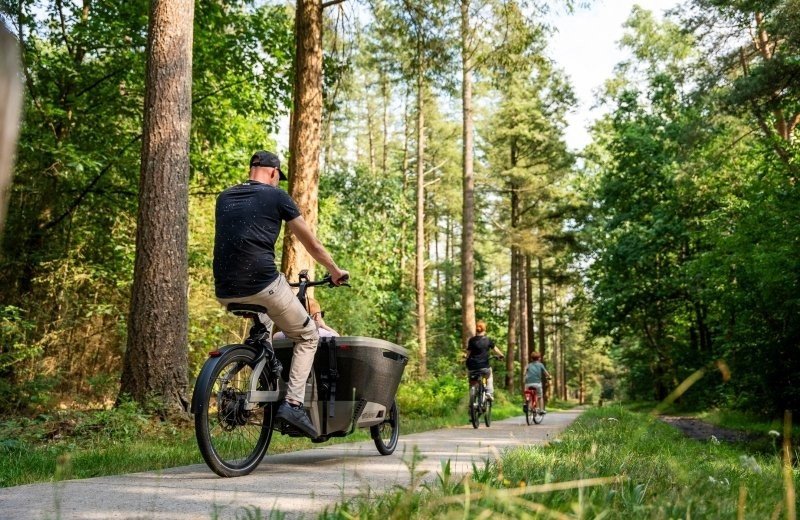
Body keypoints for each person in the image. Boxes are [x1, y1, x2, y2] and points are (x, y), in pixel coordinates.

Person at [213, 150, 348, 439]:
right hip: (263, 283)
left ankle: (257, 370)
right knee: (308, 334)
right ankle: (293, 405)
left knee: (266, 330)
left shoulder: (224, 197)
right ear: (273, 173)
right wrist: (335, 270)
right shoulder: (277, 197)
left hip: (224, 289)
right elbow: (311, 243)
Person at [464, 320, 504, 401]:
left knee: (472, 381)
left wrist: (464, 357)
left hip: (472, 367)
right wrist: (501, 355)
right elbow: (495, 349)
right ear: (484, 330)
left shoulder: (472, 340)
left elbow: (468, 354)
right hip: (484, 367)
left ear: (477, 330)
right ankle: (489, 392)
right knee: (489, 376)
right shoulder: (488, 340)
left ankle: (471, 401)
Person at [273, 297, 339, 339]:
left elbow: (274, 337)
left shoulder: (282, 336)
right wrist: (324, 326)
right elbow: (337, 337)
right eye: (321, 314)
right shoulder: (322, 334)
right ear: (317, 316)